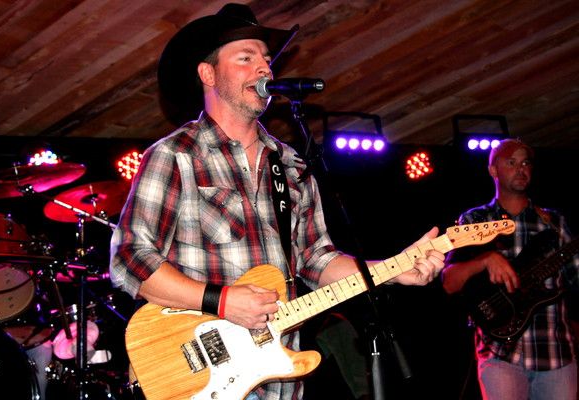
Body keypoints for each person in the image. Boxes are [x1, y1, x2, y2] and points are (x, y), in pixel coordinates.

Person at [109, 3, 445, 400]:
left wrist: (393, 269)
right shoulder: (176, 155)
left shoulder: (291, 165)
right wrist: (222, 301)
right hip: (199, 378)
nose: (264, 69)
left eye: (267, 60)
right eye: (246, 58)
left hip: (277, 379)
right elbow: (129, 259)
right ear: (208, 74)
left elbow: (316, 261)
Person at [441, 138, 578, 400]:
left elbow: (576, 279)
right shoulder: (475, 220)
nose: (521, 169)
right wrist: (485, 260)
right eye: (512, 162)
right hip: (499, 353)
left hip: (555, 351)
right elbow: (449, 282)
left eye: (525, 163)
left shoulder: (554, 222)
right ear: (493, 170)